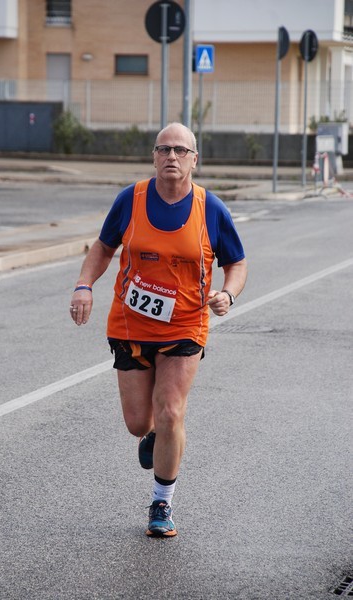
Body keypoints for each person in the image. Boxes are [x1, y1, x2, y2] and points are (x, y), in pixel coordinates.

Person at [70, 122, 247, 537]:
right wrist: (83, 286)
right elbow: (103, 247)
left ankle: (161, 504)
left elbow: (236, 262)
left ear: (194, 160)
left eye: (180, 151)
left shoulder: (211, 208)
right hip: (131, 325)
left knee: (170, 412)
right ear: (153, 156)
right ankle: (149, 435)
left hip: (185, 324)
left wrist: (229, 294)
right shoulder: (129, 200)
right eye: (164, 149)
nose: (171, 157)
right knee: (138, 422)